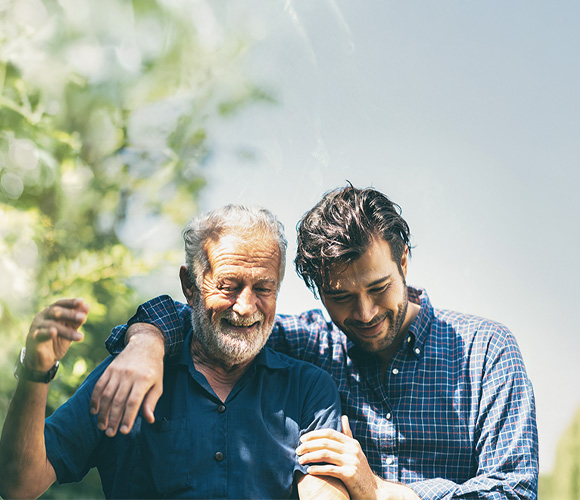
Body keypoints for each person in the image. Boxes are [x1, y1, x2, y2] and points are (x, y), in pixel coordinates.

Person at [93, 186, 539, 500]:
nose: (364, 313)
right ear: (317, 290)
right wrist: (145, 341)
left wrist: (383, 493)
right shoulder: (306, 344)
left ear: (404, 261)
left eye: (379, 287)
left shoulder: (487, 352)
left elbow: (515, 491)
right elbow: (209, 317)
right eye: (341, 297)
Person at [0, 205, 349, 500]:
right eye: (228, 286)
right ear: (189, 285)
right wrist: (36, 370)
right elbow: (19, 484)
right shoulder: (128, 374)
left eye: (263, 288)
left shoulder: (309, 389)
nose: (245, 307)